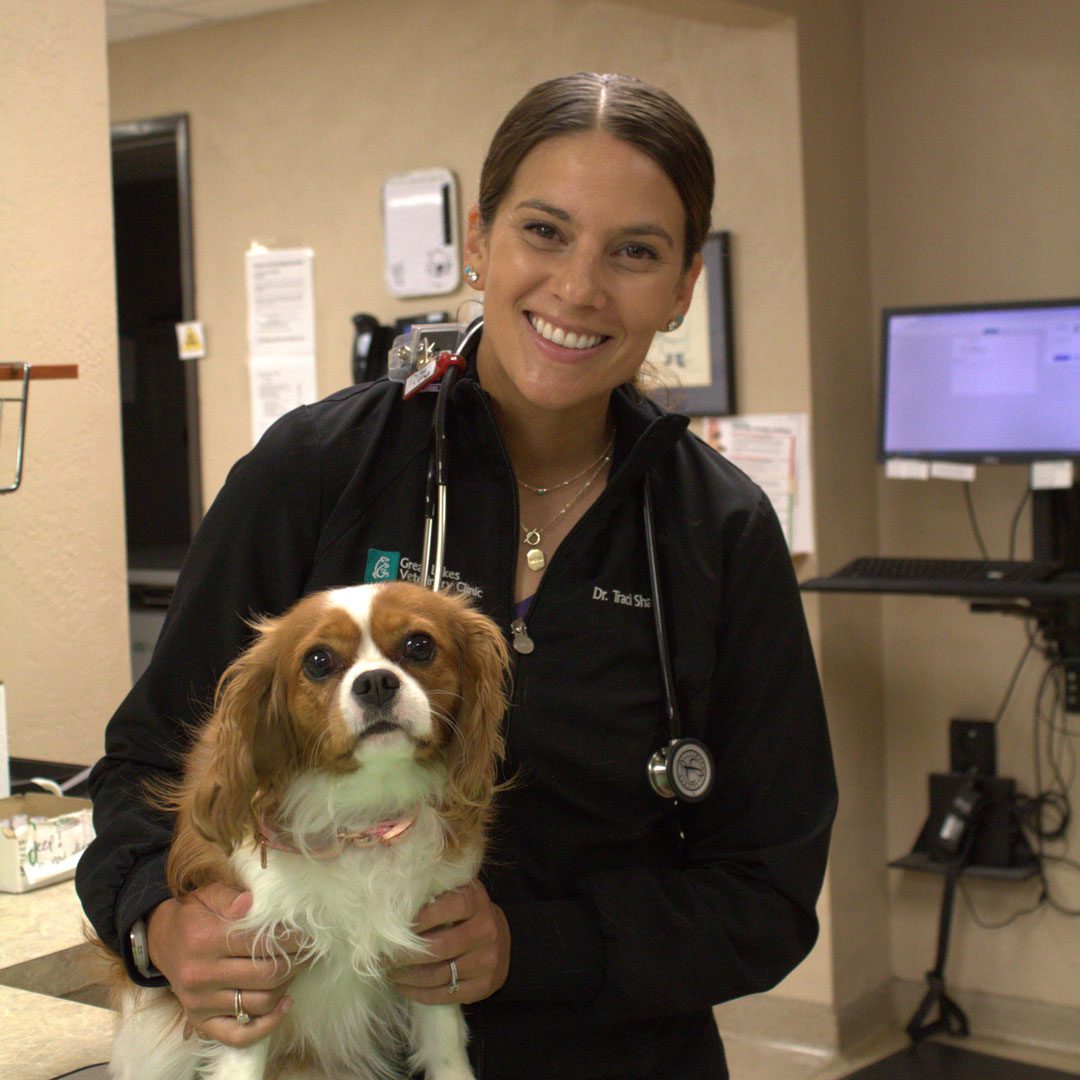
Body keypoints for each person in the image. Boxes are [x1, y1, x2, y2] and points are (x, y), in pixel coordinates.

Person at [78, 72, 836, 1079]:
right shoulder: (315, 470)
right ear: (479, 244)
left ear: (683, 284)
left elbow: (767, 894)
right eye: (544, 232)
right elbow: (144, 766)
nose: (577, 288)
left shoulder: (720, 533)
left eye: (636, 252)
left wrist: (534, 947)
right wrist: (156, 922)